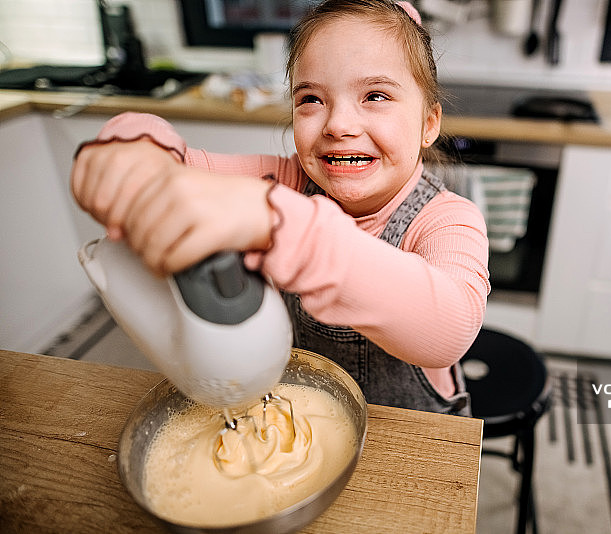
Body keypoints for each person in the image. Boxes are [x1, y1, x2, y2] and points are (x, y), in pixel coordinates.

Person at [70, 0, 489, 415]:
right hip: (306, 414)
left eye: (375, 95)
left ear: (429, 123)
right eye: (311, 99)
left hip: (410, 440)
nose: (338, 125)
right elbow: (176, 164)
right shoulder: (284, 183)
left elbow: (448, 330)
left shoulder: (447, 220)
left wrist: (282, 226)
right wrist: (133, 148)